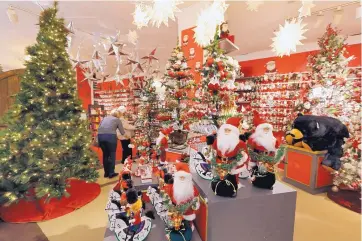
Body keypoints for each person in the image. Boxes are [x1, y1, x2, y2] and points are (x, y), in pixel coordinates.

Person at [98, 109, 125, 178]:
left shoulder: (104, 118)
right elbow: (122, 132)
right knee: (112, 155)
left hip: (100, 137)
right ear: (118, 115)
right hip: (110, 137)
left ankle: (106, 173)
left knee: (105, 155)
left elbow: (99, 128)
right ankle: (111, 173)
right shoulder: (117, 120)